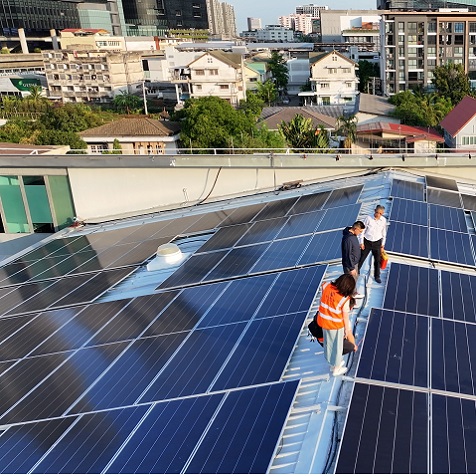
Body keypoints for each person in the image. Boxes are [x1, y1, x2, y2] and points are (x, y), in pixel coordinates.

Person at [317, 274, 356, 376]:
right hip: (335, 326)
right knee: (337, 347)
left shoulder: (326, 286)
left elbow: (322, 299)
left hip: (323, 322)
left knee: (329, 344)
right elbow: (345, 317)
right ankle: (337, 368)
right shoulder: (344, 299)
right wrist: (347, 331)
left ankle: (332, 364)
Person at [358, 205, 387, 284]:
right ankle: (356, 272)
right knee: (361, 258)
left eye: (380, 213)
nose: (378, 215)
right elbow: (362, 231)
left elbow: (383, 233)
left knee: (377, 261)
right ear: (374, 210)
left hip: (377, 243)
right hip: (367, 242)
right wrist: (361, 242)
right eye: (377, 212)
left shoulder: (383, 220)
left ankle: (377, 276)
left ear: (382, 214)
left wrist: (382, 245)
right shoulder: (368, 218)